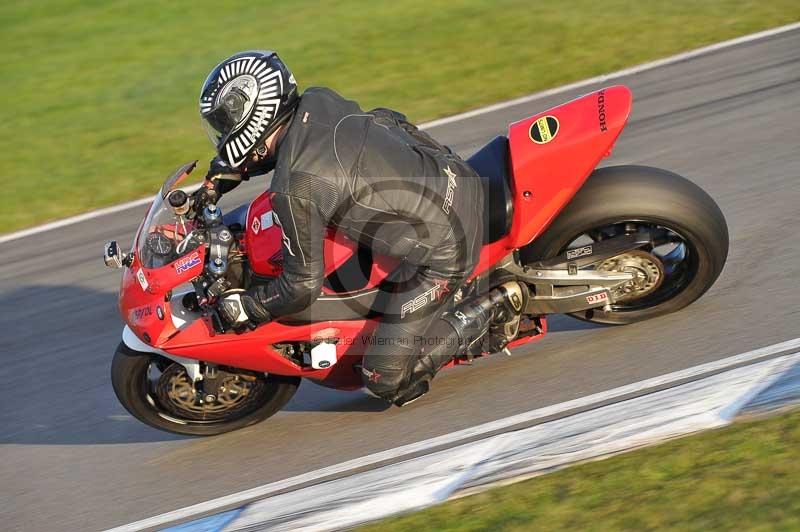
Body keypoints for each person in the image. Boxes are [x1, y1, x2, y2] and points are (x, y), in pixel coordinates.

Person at [203, 50, 525, 405]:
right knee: (381, 119)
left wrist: (249, 306)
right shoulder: (317, 101)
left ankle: (493, 306)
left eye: (223, 127)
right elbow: (297, 151)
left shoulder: (294, 190)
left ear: (254, 121)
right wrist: (229, 174)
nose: (221, 136)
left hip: (448, 247)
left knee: (384, 380)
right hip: (447, 169)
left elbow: (301, 286)